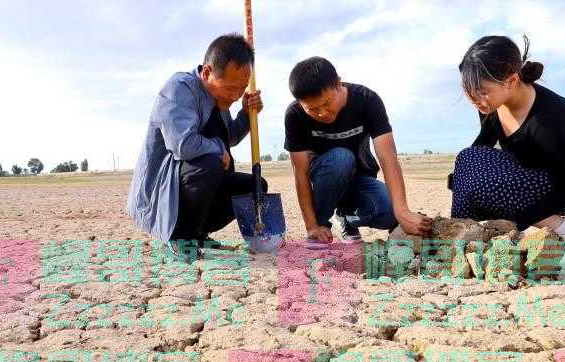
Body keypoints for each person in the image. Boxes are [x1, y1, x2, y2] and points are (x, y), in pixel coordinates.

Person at [453, 35, 565, 265]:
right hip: (544, 167)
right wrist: (460, 184)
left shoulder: (548, 119)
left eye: (481, 91)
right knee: (466, 163)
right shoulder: (491, 104)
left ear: (511, 81)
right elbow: (480, 148)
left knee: (492, 188)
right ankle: (462, 239)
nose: (475, 99)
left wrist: (514, 225)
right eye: (469, 92)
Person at [127, 33, 265, 260]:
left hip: (201, 181)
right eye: (230, 88)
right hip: (166, 189)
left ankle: (198, 232)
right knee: (210, 162)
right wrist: (219, 150)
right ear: (207, 73)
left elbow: (228, 137)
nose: (234, 95)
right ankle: (180, 237)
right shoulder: (179, 89)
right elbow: (183, 145)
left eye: (241, 89)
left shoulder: (220, 98)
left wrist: (246, 113)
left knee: (256, 187)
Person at [283, 56, 431, 250]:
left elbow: (388, 157)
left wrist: (402, 211)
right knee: (341, 158)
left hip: (359, 181)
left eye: (327, 103)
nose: (322, 113)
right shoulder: (294, 115)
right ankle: (321, 225)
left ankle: (345, 218)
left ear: (338, 83)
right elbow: (300, 173)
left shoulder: (367, 100)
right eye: (312, 109)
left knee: (389, 212)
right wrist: (311, 225)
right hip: (323, 183)